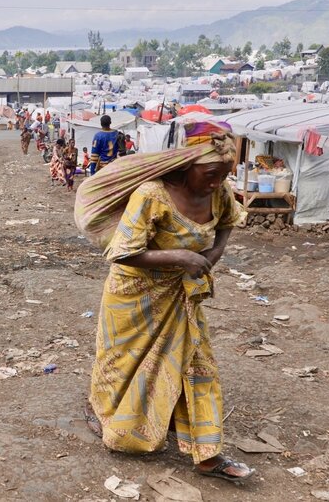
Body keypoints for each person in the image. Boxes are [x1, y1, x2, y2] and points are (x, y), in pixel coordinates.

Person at [84, 131, 256, 484]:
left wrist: (215, 252)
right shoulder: (152, 195)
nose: (217, 183)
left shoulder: (218, 192)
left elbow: (229, 219)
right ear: (187, 165)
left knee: (198, 363)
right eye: (210, 174)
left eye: (224, 175)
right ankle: (112, 419)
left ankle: (208, 453)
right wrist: (180, 256)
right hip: (133, 295)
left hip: (181, 295)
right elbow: (121, 251)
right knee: (123, 365)